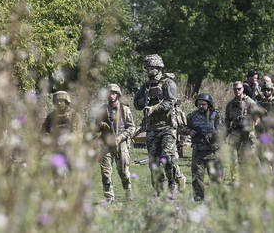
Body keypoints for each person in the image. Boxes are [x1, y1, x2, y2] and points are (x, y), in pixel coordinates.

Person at [133, 54, 183, 198]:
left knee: (167, 156)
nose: (149, 69)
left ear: (158, 67)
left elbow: (171, 102)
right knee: (153, 161)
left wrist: (154, 108)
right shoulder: (146, 85)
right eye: (147, 67)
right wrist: (145, 101)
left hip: (167, 127)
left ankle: (172, 183)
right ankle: (158, 188)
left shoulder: (168, 83)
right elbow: (136, 103)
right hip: (152, 128)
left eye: (151, 66)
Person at [95, 84, 135, 203]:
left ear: (117, 94)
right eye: (109, 93)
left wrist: (121, 137)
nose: (111, 95)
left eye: (114, 93)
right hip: (106, 143)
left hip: (120, 143)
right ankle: (109, 198)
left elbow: (132, 127)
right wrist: (100, 125)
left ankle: (128, 191)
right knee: (106, 172)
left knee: (123, 171)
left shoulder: (124, 109)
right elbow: (95, 128)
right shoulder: (102, 109)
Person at [182, 93, 224, 201]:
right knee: (197, 177)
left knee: (216, 178)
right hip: (198, 151)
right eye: (199, 104)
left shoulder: (216, 114)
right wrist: (189, 131)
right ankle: (198, 198)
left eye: (203, 104)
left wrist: (211, 135)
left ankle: (218, 198)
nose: (201, 106)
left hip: (213, 151)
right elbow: (181, 127)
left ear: (209, 104)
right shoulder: (192, 116)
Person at [42, 91, 82, 187]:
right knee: (56, 174)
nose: (59, 103)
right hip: (56, 150)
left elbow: (78, 133)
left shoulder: (74, 115)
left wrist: (68, 139)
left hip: (70, 149)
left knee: (71, 173)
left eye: (61, 101)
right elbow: (43, 132)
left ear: (66, 101)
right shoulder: (51, 117)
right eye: (57, 101)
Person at [225, 81, 265, 178]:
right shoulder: (230, 104)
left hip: (248, 132)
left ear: (242, 89)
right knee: (233, 156)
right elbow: (227, 119)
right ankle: (234, 178)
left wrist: (252, 129)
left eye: (239, 89)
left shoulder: (250, 102)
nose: (237, 91)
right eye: (235, 89)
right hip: (236, 132)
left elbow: (258, 117)